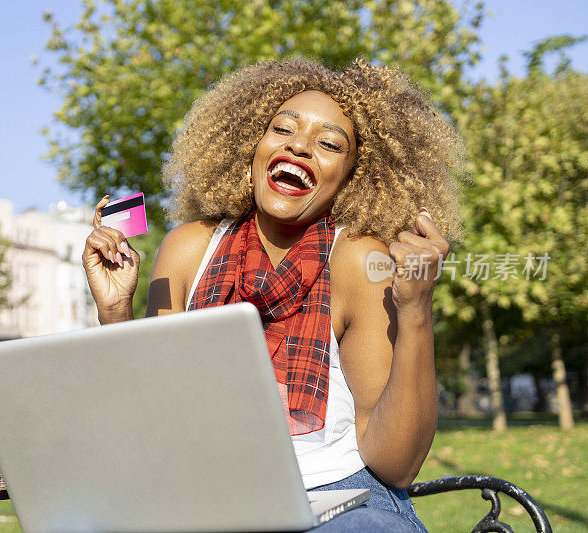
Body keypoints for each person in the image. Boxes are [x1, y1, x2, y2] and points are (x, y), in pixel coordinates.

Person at [81, 57, 463, 532]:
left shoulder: (358, 260)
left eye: (328, 144)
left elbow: (397, 464)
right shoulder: (188, 247)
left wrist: (416, 309)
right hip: (209, 497)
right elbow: (154, 422)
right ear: (251, 149)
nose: (300, 146)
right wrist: (115, 311)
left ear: (351, 178)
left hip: (338, 498)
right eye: (282, 129)